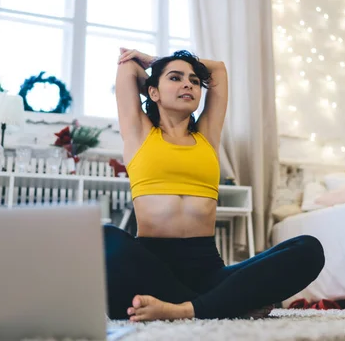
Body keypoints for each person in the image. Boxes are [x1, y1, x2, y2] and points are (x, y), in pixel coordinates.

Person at [104, 49, 325, 322]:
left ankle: (184, 309)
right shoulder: (139, 133)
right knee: (104, 236)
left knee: (308, 249)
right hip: (152, 266)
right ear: (153, 92)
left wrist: (156, 64)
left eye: (195, 81)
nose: (188, 84)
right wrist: (157, 67)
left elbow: (218, 70)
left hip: (208, 271)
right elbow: (127, 70)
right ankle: (222, 306)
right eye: (176, 78)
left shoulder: (207, 135)